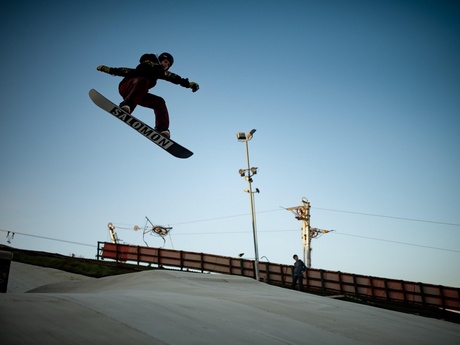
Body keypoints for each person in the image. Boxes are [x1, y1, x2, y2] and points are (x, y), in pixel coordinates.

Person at [96, 52, 199, 139]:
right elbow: (124, 71)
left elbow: (173, 77)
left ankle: (162, 129)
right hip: (126, 86)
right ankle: (126, 105)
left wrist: (188, 84)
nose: (166, 65)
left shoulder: (160, 72)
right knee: (144, 80)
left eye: (168, 65)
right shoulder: (149, 67)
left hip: (138, 94)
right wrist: (109, 69)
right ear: (160, 60)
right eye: (165, 62)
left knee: (159, 102)